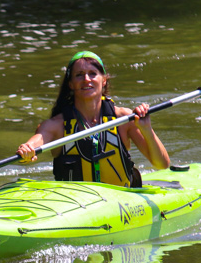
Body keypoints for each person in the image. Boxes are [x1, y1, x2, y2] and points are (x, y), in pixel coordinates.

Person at [17, 51, 169, 187]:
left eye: (92, 73)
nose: (86, 79)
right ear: (71, 84)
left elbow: (162, 164)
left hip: (121, 200)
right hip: (77, 204)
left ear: (104, 80)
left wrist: (146, 129)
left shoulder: (123, 118)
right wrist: (27, 150)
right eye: (79, 74)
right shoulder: (56, 125)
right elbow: (36, 141)